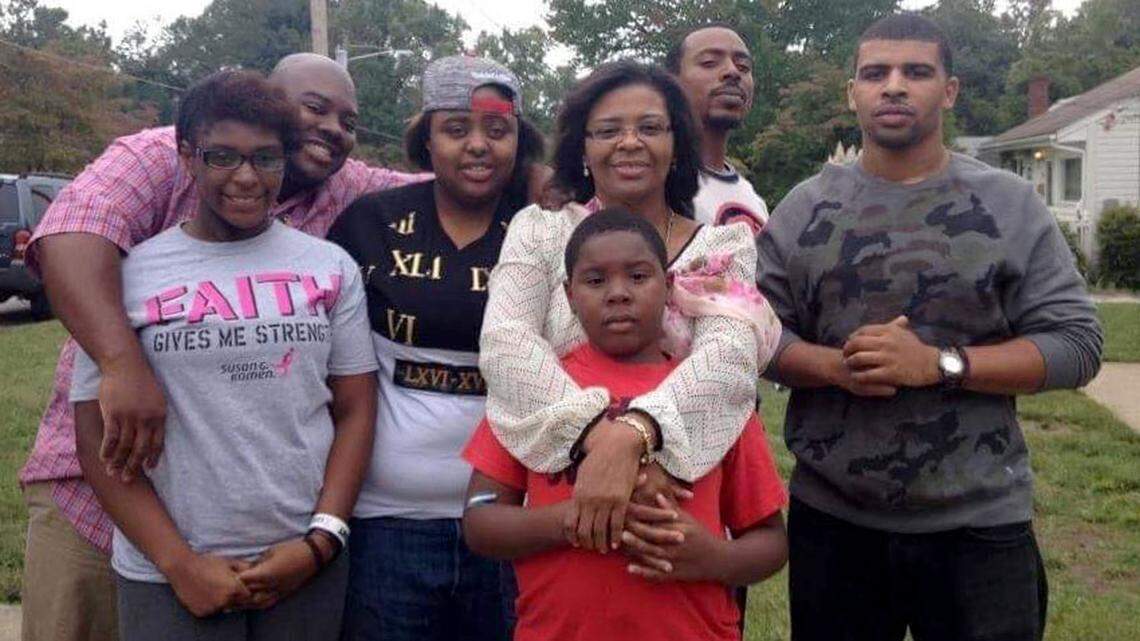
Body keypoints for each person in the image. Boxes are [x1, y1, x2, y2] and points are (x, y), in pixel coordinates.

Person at [17, 53, 422, 641]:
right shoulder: (149, 172)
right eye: (315, 108)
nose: (333, 127)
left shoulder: (330, 227)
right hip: (103, 502)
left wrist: (322, 538)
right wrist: (122, 362)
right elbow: (74, 231)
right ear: (191, 154)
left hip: (291, 551)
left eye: (348, 120)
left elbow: (432, 185)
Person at [756, 14, 1103, 641]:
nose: (893, 86)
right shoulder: (804, 209)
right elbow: (755, 336)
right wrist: (836, 367)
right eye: (875, 73)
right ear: (852, 92)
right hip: (836, 524)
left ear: (949, 91)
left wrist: (942, 364)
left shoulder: (1008, 204)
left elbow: (1077, 344)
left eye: (916, 72)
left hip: (979, 524)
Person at [479, 60, 782, 557]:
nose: (629, 142)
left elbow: (728, 360)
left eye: (650, 127)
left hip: (690, 517)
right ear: (582, 147)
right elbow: (506, 342)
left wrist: (636, 436)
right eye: (607, 130)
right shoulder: (540, 229)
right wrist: (599, 440)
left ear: (677, 143)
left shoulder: (723, 247)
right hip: (564, 502)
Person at [463, 208, 787, 641]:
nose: (618, 293)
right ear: (569, 294)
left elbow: (770, 540)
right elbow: (480, 521)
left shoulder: (711, 395)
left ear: (669, 287)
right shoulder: (534, 393)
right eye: (595, 280)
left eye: (638, 277)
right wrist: (577, 518)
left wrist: (713, 558)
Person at [326, 55, 543, 641]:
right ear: (426, 138)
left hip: (511, 524)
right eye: (456, 129)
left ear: (519, 142)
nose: (478, 146)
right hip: (386, 524)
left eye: (497, 131)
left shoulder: (544, 230)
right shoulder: (369, 223)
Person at [666, 24, 768, 235]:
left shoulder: (753, 199)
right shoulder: (655, 189)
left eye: (743, 67)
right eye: (709, 63)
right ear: (671, 83)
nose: (732, 72)